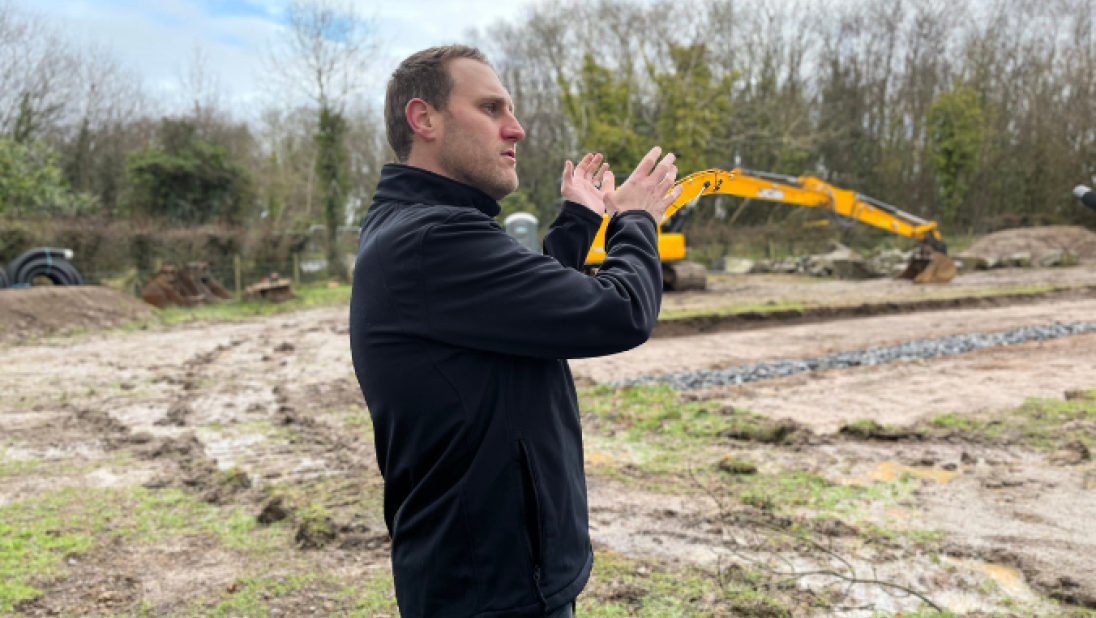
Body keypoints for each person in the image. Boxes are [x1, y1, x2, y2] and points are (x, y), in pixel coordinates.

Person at [349, 45, 682, 618]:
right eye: (492, 108)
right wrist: (636, 221)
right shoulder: (434, 239)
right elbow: (618, 311)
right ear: (424, 119)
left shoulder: (421, 229)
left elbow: (520, 306)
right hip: (491, 590)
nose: (517, 129)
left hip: (495, 577)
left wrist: (580, 221)